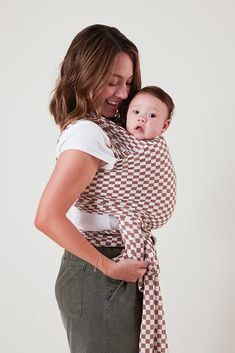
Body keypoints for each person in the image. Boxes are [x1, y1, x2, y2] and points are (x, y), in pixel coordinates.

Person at [34, 24, 150, 353]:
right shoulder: (88, 133)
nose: (123, 93)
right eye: (112, 81)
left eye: (128, 82)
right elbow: (47, 217)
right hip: (100, 271)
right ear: (85, 75)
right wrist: (110, 267)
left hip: (107, 270)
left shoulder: (101, 128)